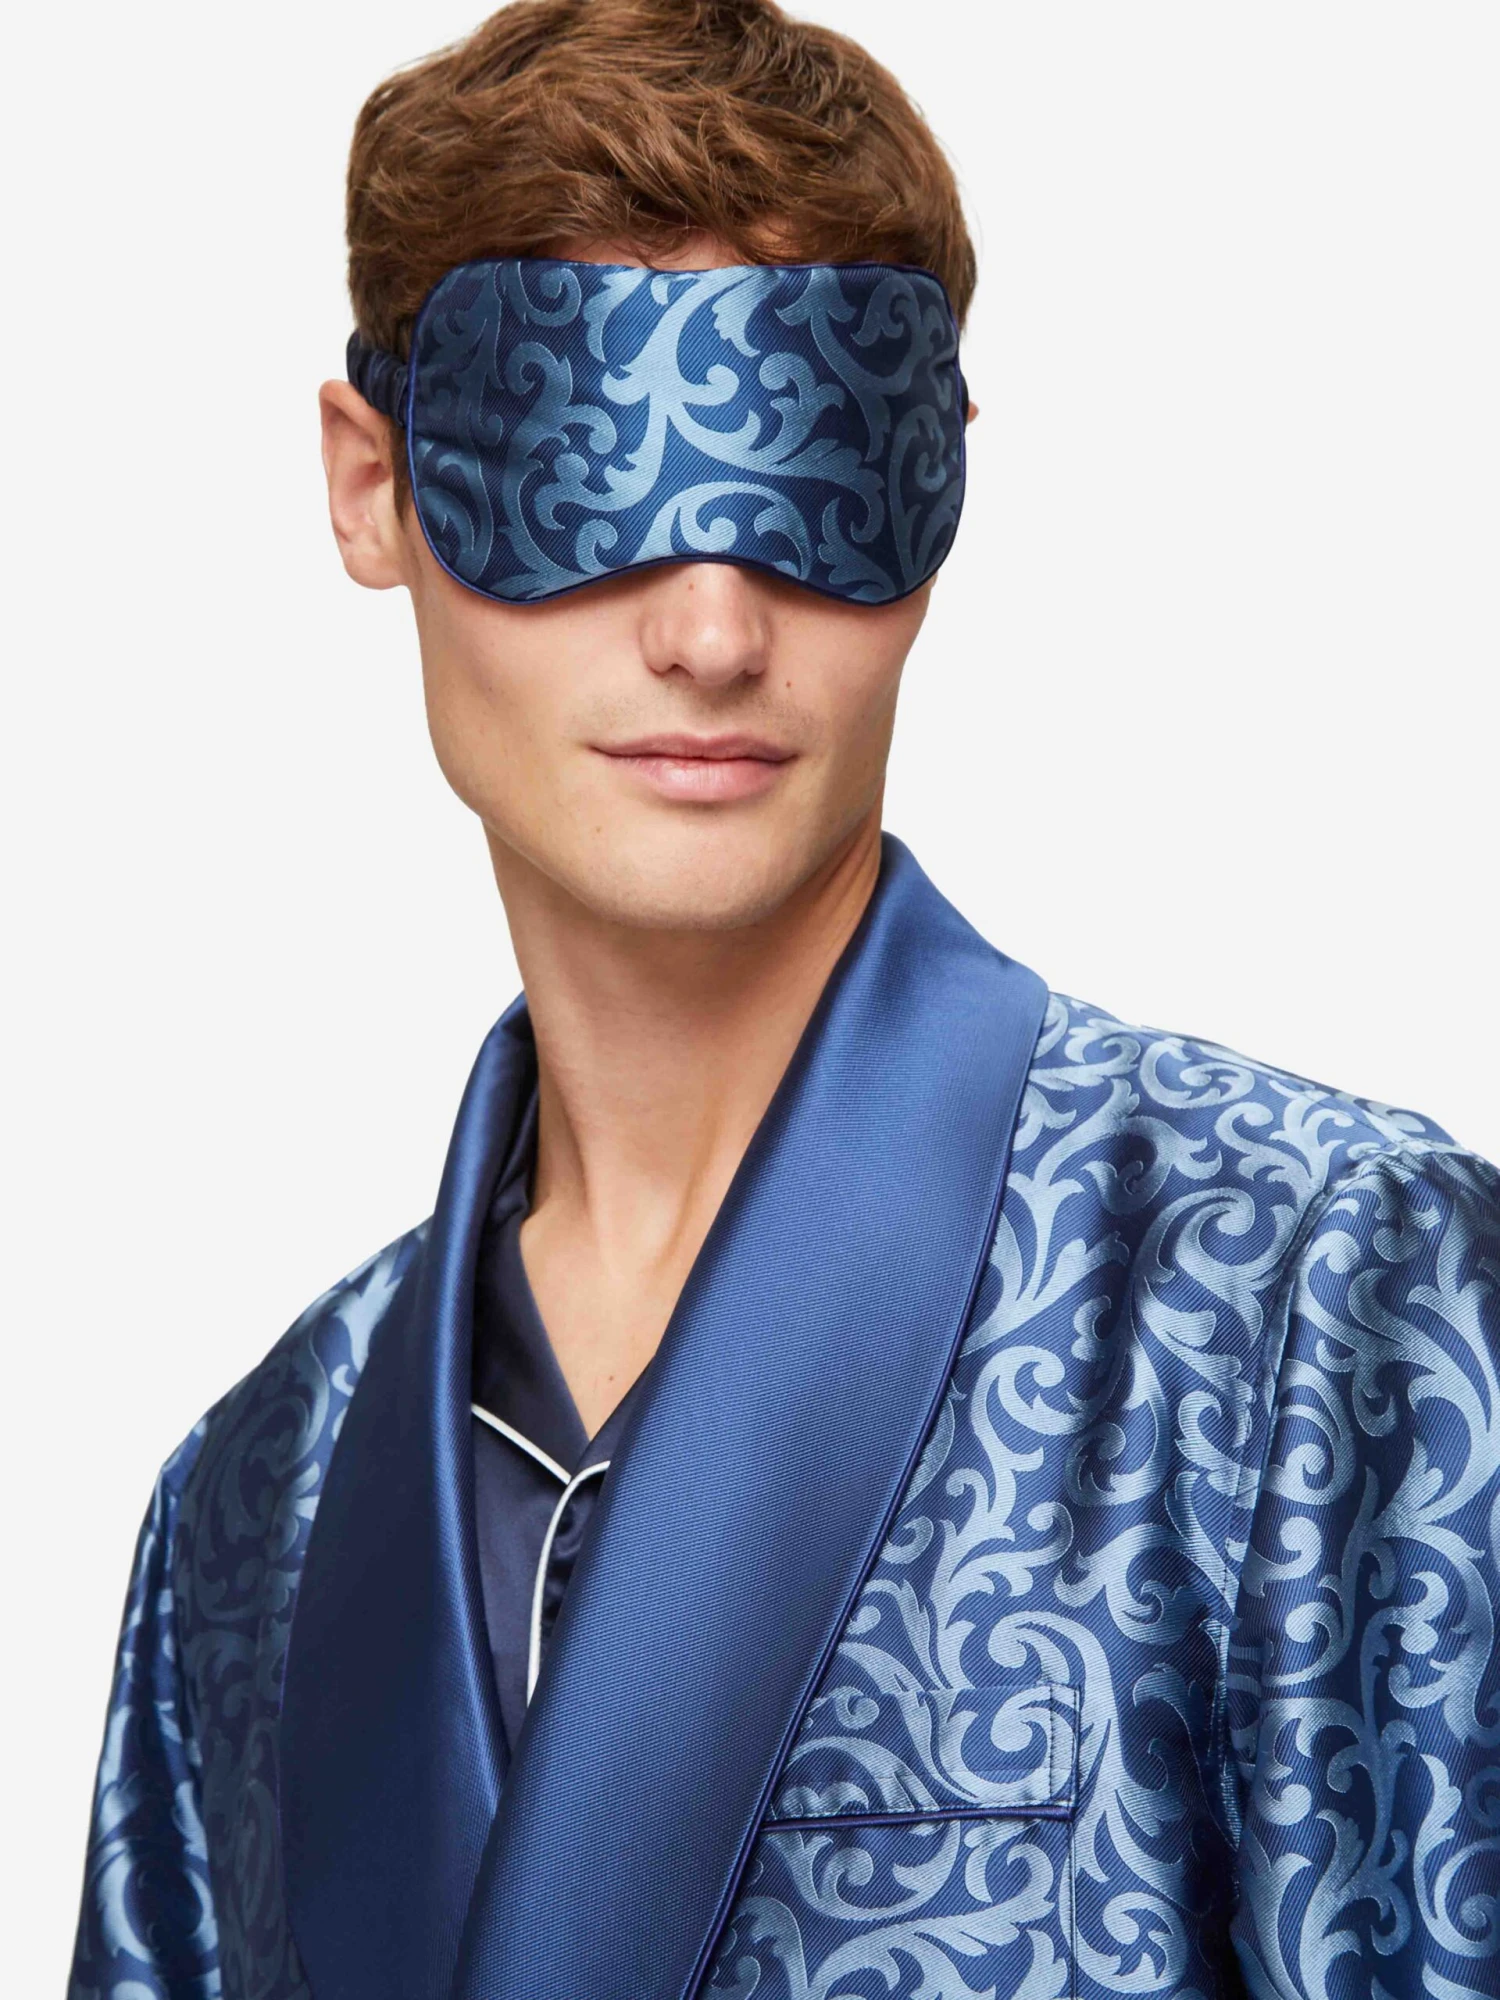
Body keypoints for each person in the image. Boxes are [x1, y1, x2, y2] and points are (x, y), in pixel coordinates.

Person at [68, 2, 1500, 1997]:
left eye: (819, 470)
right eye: (584, 462)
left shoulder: (1315, 1294)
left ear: (943, 481)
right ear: (373, 486)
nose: (714, 628)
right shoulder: (252, 1507)